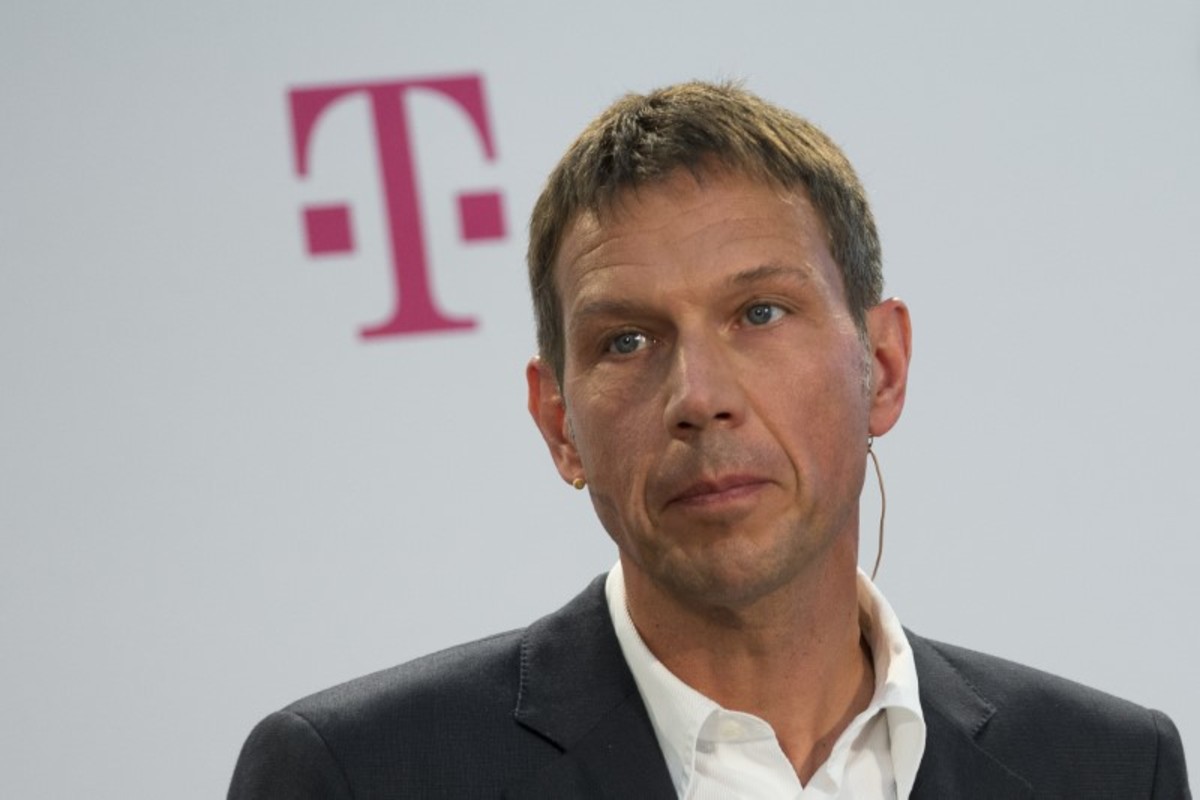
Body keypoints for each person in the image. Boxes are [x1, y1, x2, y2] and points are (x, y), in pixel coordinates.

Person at [228, 81, 1191, 798]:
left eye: (760, 313)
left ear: (883, 366)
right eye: (627, 340)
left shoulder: (1108, 770)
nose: (699, 397)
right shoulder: (359, 775)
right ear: (559, 423)